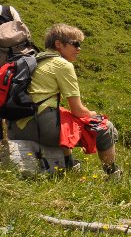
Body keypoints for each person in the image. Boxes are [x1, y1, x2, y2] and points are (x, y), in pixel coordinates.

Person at [7, 24, 122, 178]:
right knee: (105, 127)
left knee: (63, 116)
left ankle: (69, 165)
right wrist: (94, 114)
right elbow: (78, 110)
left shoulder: (35, 59)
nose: (79, 49)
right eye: (75, 44)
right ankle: (113, 174)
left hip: (15, 127)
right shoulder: (62, 65)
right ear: (58, 44)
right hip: (40, 127)